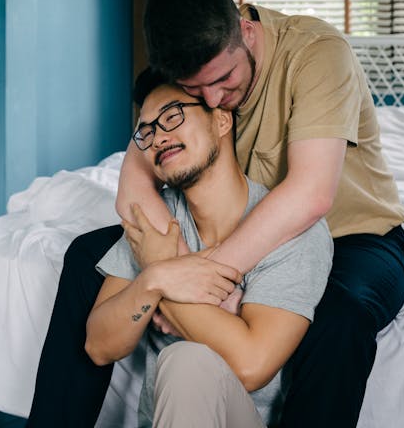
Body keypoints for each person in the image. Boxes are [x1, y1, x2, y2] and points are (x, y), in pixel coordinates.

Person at [27, 0, 404, 428]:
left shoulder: (316, 53)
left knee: (340, 319)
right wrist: (167, 267)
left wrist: (195, 277)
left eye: (225, 79)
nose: (215, 99)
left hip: (354, 234)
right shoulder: (181, 87)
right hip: (229, 223)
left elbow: (309, 195)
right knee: (86, 257)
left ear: (246, 33)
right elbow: (133, 187)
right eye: (195, 90)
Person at [85, 71, 333, 427]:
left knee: (187, 360)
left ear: (221, 119)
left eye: (172, 116)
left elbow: (251, 365)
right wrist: (155, 278)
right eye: (148, 131)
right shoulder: (158, 220)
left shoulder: (291, 229)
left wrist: (164, 281)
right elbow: (99, 345)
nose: (159, 138)